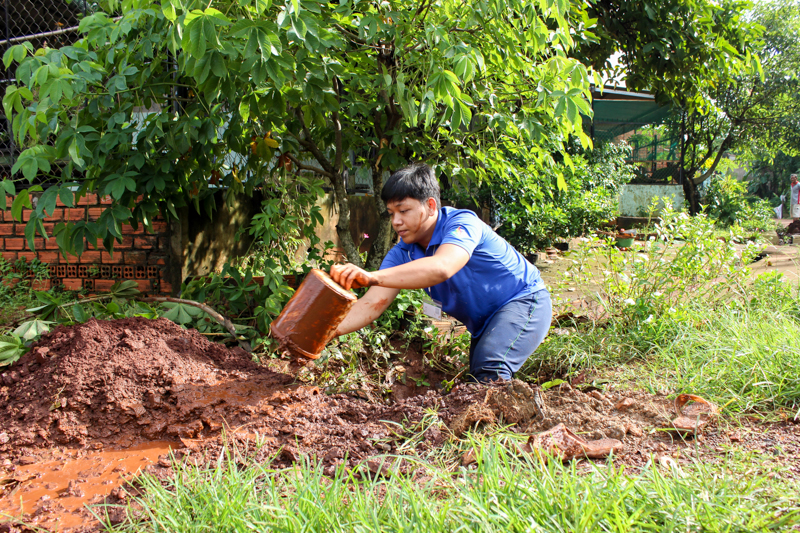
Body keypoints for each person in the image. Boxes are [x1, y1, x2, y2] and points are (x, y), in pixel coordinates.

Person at [330, 163, 551, 383]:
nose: (396, 221)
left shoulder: (462, 223)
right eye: (391, 213)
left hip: (524, 301)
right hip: (486, 323)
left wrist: (372, 276)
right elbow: (371, 304)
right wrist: (324, 332)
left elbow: (442, 266)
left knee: (490, 371)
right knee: (478, 382)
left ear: (431, 206)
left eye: (404, 211)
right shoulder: (402, 253)